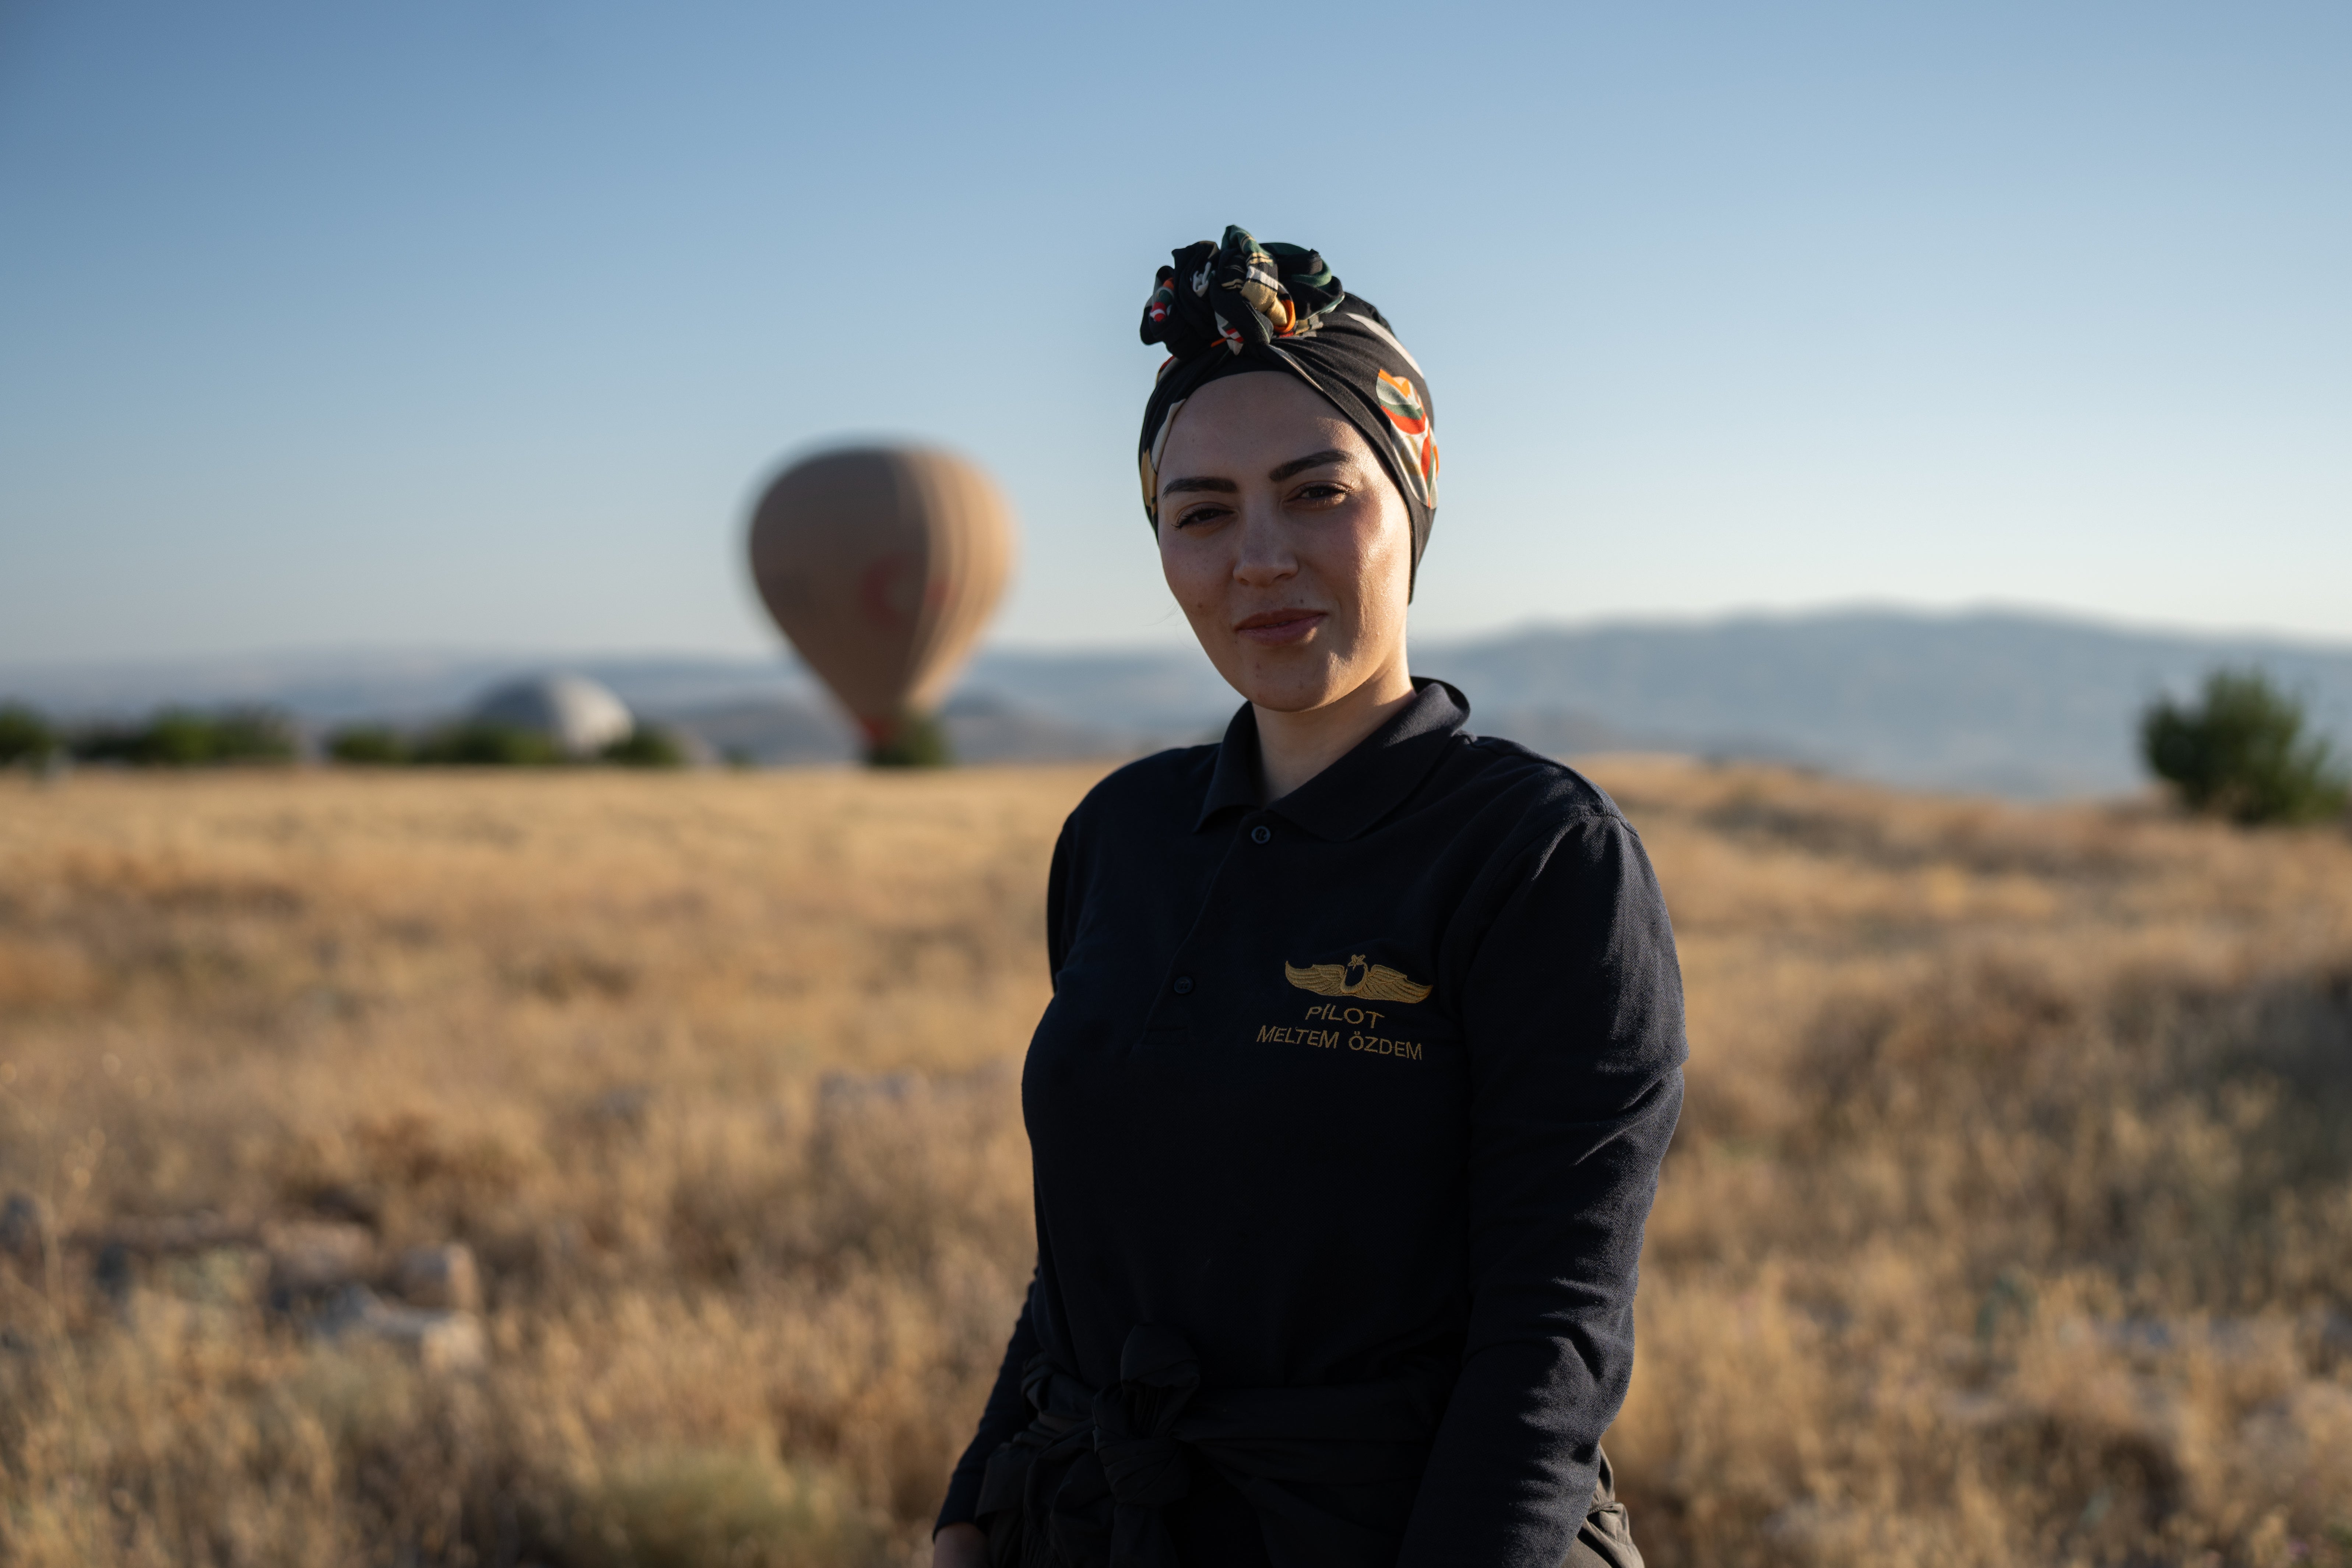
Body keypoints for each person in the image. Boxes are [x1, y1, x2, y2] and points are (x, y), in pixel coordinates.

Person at [931, 227, 1685, 1568]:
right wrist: (973, 1510)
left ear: (1413, 500)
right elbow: (1088, 1259)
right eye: (1202, 512)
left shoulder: (1539, 856)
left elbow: (1550, 1341)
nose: (1259, 558)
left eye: (1316, 492)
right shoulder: (1121, 834)